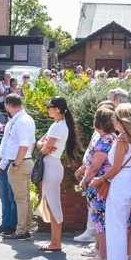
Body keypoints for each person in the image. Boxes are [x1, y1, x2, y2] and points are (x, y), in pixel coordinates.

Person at [91, 104, 131, 260]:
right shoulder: (130, 137)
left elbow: (116, 167)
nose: (112, 120)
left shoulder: (123, 138)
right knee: (120, 223)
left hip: (120, 182)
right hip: (128, 181)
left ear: (121, 120)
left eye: (115, 117)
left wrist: (100, 180)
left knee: (115, 224)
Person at [35, 96, 80, 251]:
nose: (48, 108)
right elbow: (41, 144)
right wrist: (43, 145)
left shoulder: (57, 127)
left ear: (57, 109)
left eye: (50, 106)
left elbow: (44, 148)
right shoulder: (58, 125)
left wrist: (43, 146)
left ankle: (55, 243)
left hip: (51, 166)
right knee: (52, 204)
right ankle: (54, 242)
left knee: (53, 205)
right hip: (52, 165)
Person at [74, 100, 116, 245]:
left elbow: (95, 166)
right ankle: (99, 251)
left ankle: (102, 254)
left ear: (101, 122)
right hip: (98, 184)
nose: (93, 120)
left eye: (95, 118)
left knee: (100, 220)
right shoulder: (106, 138)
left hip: (99, 185)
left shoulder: (106, 140)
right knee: (99, 219)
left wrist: (85, 180)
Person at [0, 94, 36, 240]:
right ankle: (25, 229)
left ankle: (21, 231)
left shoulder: (20, 121)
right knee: (25, 199)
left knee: (21, 199)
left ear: (8, 106)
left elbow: (24, 144)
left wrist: (15, 164)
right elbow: (31, 144)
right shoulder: (27, 118)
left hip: (19, 163)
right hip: (25, 161)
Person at [0, 112, 18, 237]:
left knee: (11, 197)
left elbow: (12, 147)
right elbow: (3, 144)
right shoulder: (9, 123)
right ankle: (4, 223)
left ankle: (11, 225)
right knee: (4, 196)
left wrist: (1, 164)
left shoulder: (18, 123)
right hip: (2, 162)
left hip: (9, 163)